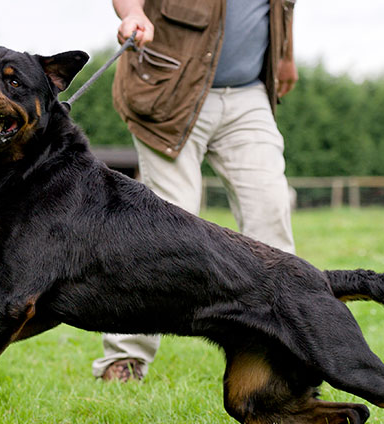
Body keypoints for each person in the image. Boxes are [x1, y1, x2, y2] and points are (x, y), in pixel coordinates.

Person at [93, 0, 299, 382]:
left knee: (271, 213)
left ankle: (282, 355)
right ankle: (125, 358)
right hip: (170, 91)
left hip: (247, 93)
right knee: (164, 230)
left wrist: (284, 56)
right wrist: (132, 15)